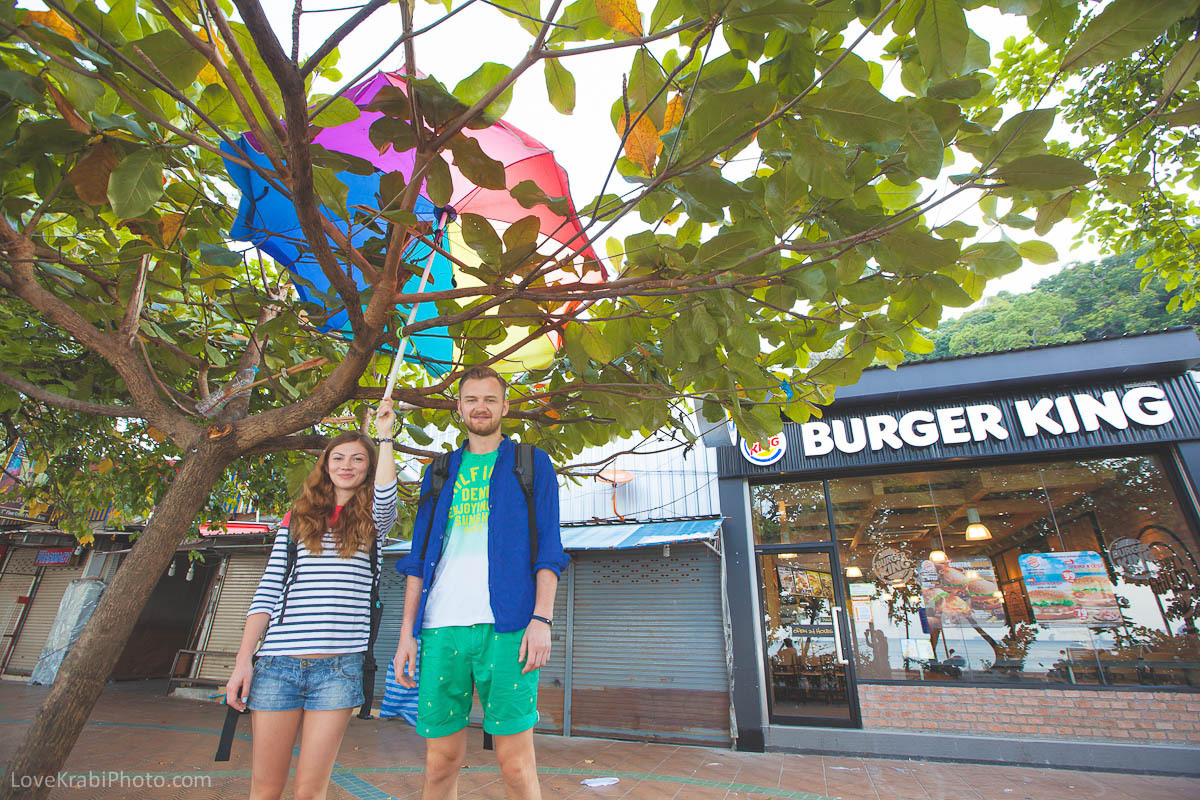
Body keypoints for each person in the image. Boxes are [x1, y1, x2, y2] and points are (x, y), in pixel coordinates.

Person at [394, 366, 567, 800]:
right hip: (439, 629)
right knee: (438, 766)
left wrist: (541, 618)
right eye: (471, 399)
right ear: (459, 408)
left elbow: (549, 548)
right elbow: (417, 562)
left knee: (515, 766)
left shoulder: (531, 464)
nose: (481, 407)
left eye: (490, 399)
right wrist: (406, 635)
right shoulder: (438, 472)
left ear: (505, 407)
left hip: (508, 629)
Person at [225, 401, 398, 800]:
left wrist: (384, 435)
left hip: (339, 669)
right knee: (265, 788)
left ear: (369, 468)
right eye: (338, 457)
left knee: (310, 790)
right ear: (325, 464)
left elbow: (387, 495)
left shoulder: (373, 519)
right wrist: (242, 662)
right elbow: (267, 591)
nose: (347, 465)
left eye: (358, 459)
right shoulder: (296, 519)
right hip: (277, 665)